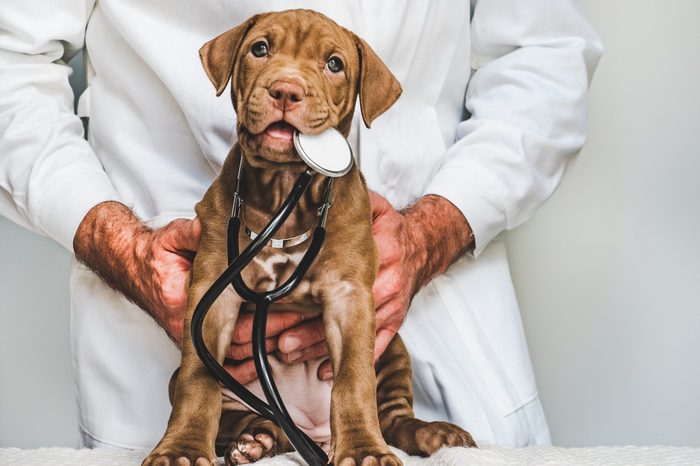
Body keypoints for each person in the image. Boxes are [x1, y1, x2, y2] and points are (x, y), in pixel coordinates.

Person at [0, 0, 602, 450]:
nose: (288, 84)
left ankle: (380, 418)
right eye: (262, 52)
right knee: (193, 424)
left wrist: (431, 233)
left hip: (434, 330)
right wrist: (121, 246)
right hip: (159, 334)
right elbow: (11, 59)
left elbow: (543, 57)